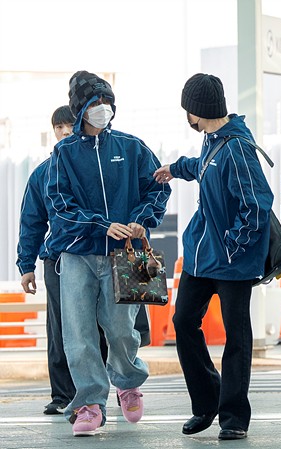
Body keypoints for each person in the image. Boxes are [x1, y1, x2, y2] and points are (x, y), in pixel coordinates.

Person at [46, 70, 170, 436]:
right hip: (77, 255)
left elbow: (157, 189)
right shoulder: (64, 153)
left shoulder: (132, 147)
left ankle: (128, 383)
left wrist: (141, 220)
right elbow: (59, 203)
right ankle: (89, 403)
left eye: (106, 102)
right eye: (94, 103)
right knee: (79, 333)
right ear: (80, 108)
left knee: (121, 329)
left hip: (123, 255)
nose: (102, 108)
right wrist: (101, 225)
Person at [153, 73, 274, 441]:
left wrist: (234, 246)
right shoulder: (212, 141)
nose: (187, 116)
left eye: (188, 109)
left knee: (237, 336)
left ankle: (234, 416)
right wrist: (176, 169)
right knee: (184, 321)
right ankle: (207, 402)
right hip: (202, 257)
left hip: (232, 261)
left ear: (198, 111)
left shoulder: (237, 147)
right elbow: (203, 167)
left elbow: (257, 204)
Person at [16, 106, 75, 415]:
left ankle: (120, 386)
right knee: (59, 326)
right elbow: (32, 221)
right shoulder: (43, 172)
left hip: (101, 253)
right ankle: (63, 394)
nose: (64, 131)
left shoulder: (99, 166)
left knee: (109, 325)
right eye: (59, 126)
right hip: (58, 259)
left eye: (69, 125)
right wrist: (26, 266)